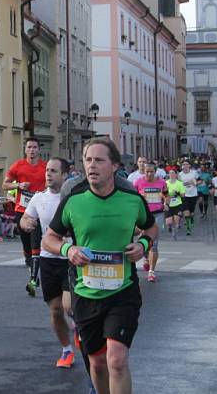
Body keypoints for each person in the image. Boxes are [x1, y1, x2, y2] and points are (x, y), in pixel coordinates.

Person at [43, 138, 158, 394]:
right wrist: (68, 249)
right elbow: (49, 238)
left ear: (115, 165)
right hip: (85, 293)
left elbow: (151, 226)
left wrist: (143, 245)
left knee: (116, 360)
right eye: (87, 160)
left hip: (122, 291)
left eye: (99, 160)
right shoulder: (74, 201)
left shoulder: (131, 199)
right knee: (96, 363)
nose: (91, 165)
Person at [20, 157, 77, 368]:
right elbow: (25, 218)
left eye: (53, 171)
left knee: (68, 306)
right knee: (55, 310)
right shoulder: (38, 198)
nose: (48, 174)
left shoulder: (73, 198)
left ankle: (80, 329)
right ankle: (67, 349)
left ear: (64, 175)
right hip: (48, 259)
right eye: (47, 170)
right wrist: (26, 223)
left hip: (71, 259)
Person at [2, 138, 47, 296]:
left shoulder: (45, 167)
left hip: (39, 210)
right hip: (22, 209)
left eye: (35, 147)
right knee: (26, 244)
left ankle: (33, 279)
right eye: (29, 147)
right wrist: (18, 185)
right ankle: (30, 264)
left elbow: (51, 184)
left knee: (36, 242)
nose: (32, 150)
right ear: (25, 149)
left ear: (38, 149)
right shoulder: (18, 166)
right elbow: (5, 185)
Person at [133, 163, 166, 283]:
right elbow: (132, 198)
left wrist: (166, 202)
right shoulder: (138, 182)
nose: (149, 174)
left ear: (155, 172)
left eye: (151, 171)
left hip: (158, 214)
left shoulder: (162, 182)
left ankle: (151, 272)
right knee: (142, 239)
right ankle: (146, 258)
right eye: (147, 171)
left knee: (154, 243)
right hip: (143, 215)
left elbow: (166, 195)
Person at [178, 161, 199, 236]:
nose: (185, 165)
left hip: (193, 194)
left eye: (187, 164)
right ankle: (188, 229)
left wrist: (195, 182)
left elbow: (200, 180)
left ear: (189, 165)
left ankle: (192, 218)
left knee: (191, 213)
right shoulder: (180, 174)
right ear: (182, 166)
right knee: (186, 213)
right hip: (184, 195)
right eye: (184, 164)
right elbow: (178, 184)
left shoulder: (194, 173)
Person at [164, 169, 185, 240]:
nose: (171, 174)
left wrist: (177, 193)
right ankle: (170, 227)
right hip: (168, 204)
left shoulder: (180, 183)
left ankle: (174, 233)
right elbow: (162, 193)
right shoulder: (165, 183)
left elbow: (183, 195)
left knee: (176, 220)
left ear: (176, 175)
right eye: (170, 173)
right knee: (168, 222)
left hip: (177, 204)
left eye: (173, 173)